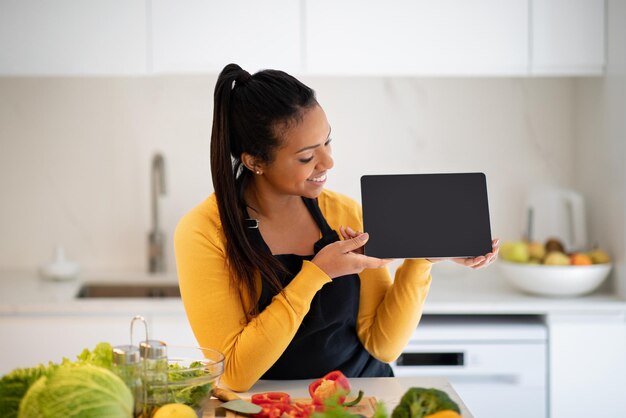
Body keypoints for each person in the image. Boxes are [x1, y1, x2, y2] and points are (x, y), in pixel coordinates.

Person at [174, 63, 499, 392]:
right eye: (306, 157)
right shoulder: (204, 232)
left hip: (363, 398)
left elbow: (383, 346)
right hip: (272, 408)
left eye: (327, 142)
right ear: (254, 162)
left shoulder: (343, 212)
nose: (328, 163)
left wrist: (422, 259)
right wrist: (317, 274)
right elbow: (235, 373)